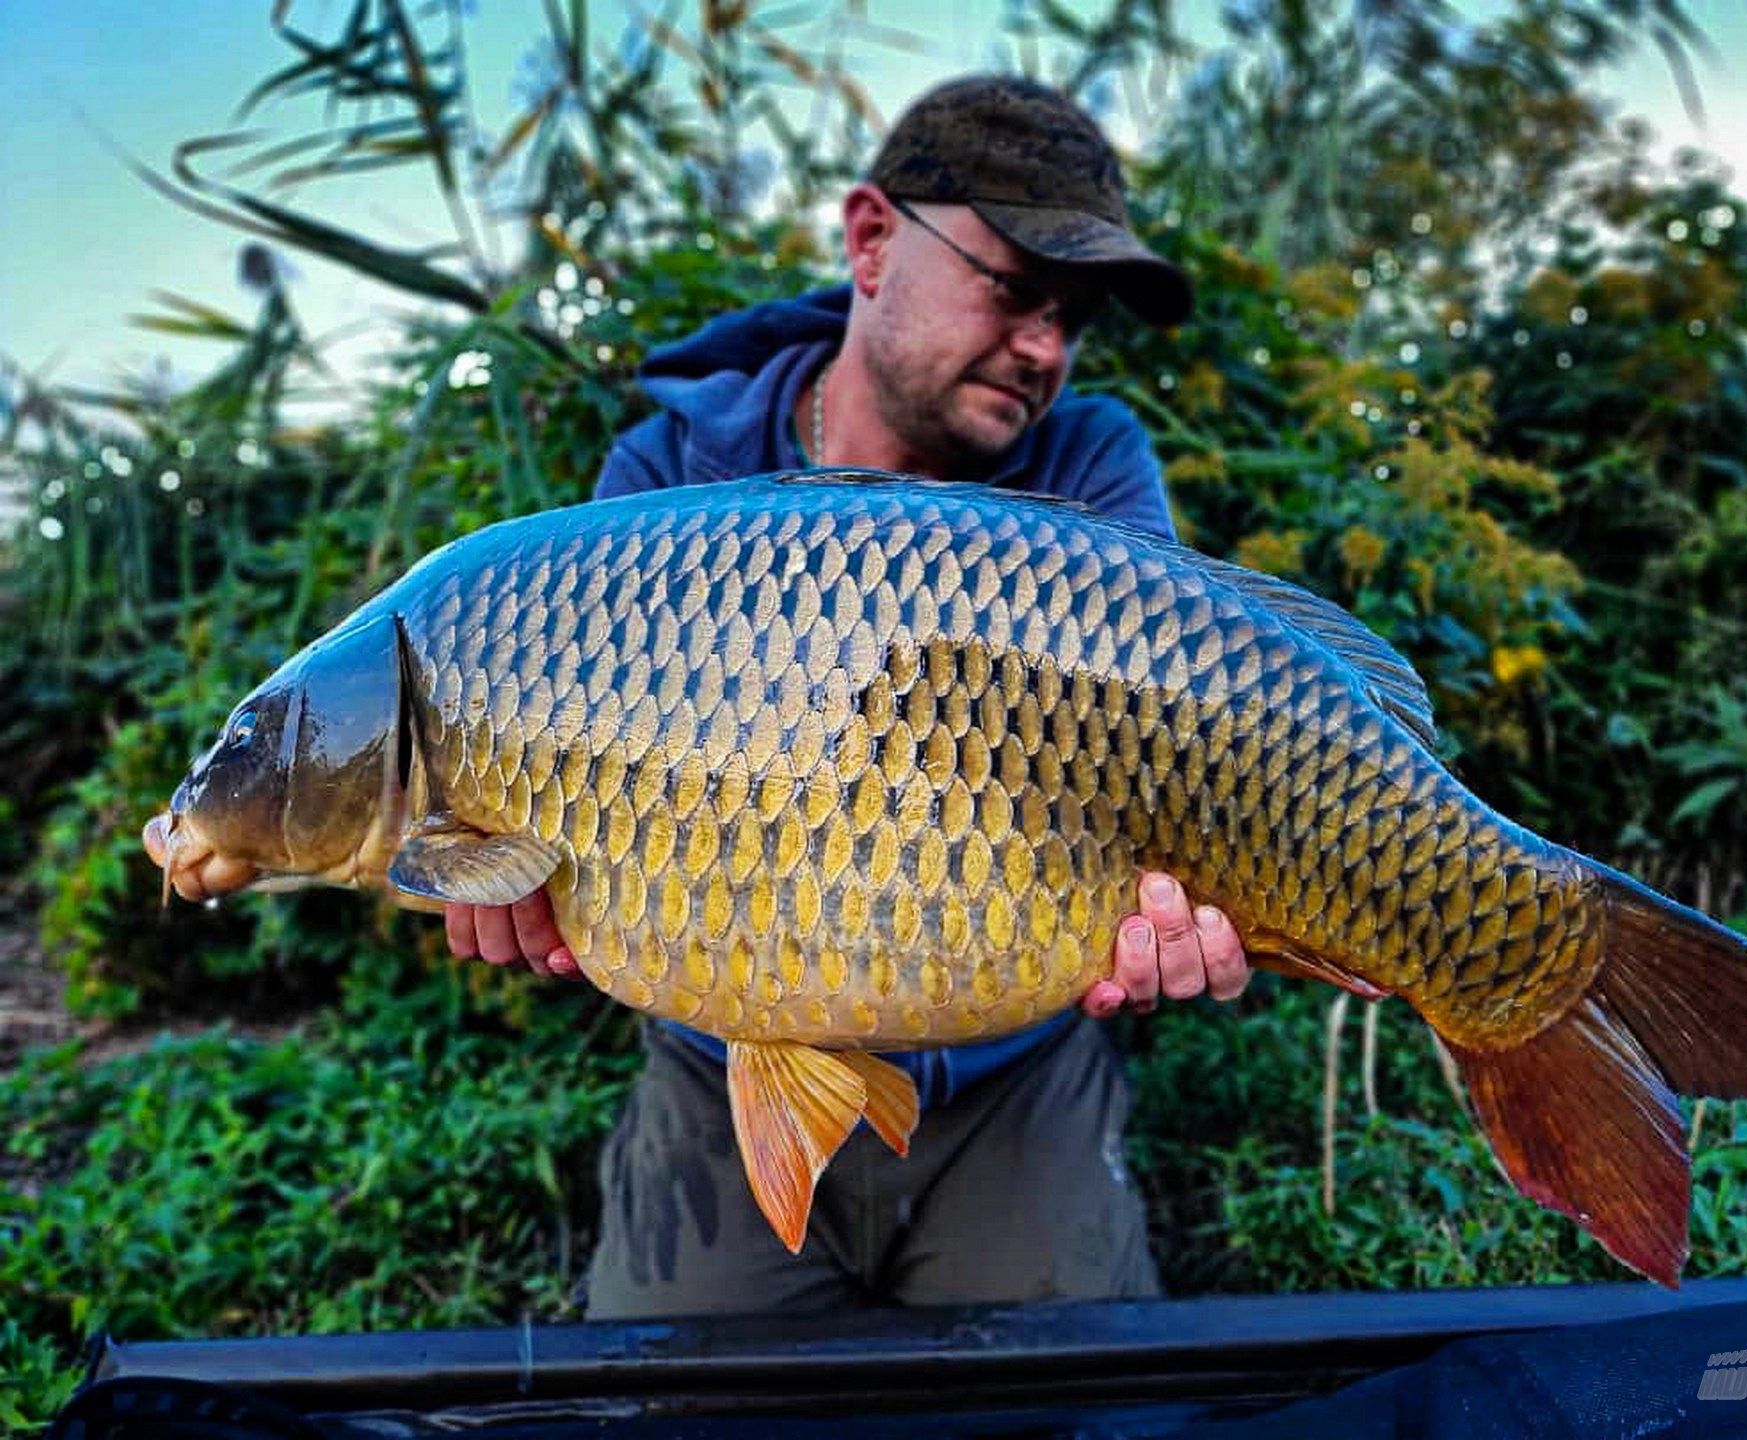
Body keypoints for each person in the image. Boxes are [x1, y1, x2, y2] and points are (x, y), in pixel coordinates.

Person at [443, 74, 1252, 1318]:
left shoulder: (1090, 462)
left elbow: (1185, 752)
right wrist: (508, 871)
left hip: (1011, 1068)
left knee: (1072, 1393)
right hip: (717, 1054)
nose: (1045, 347)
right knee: (667, 1404)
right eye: (1014, 289)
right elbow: (555, 794)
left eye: (1072, 315)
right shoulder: (666, 474)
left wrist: (1214, 895)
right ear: (873, 238)